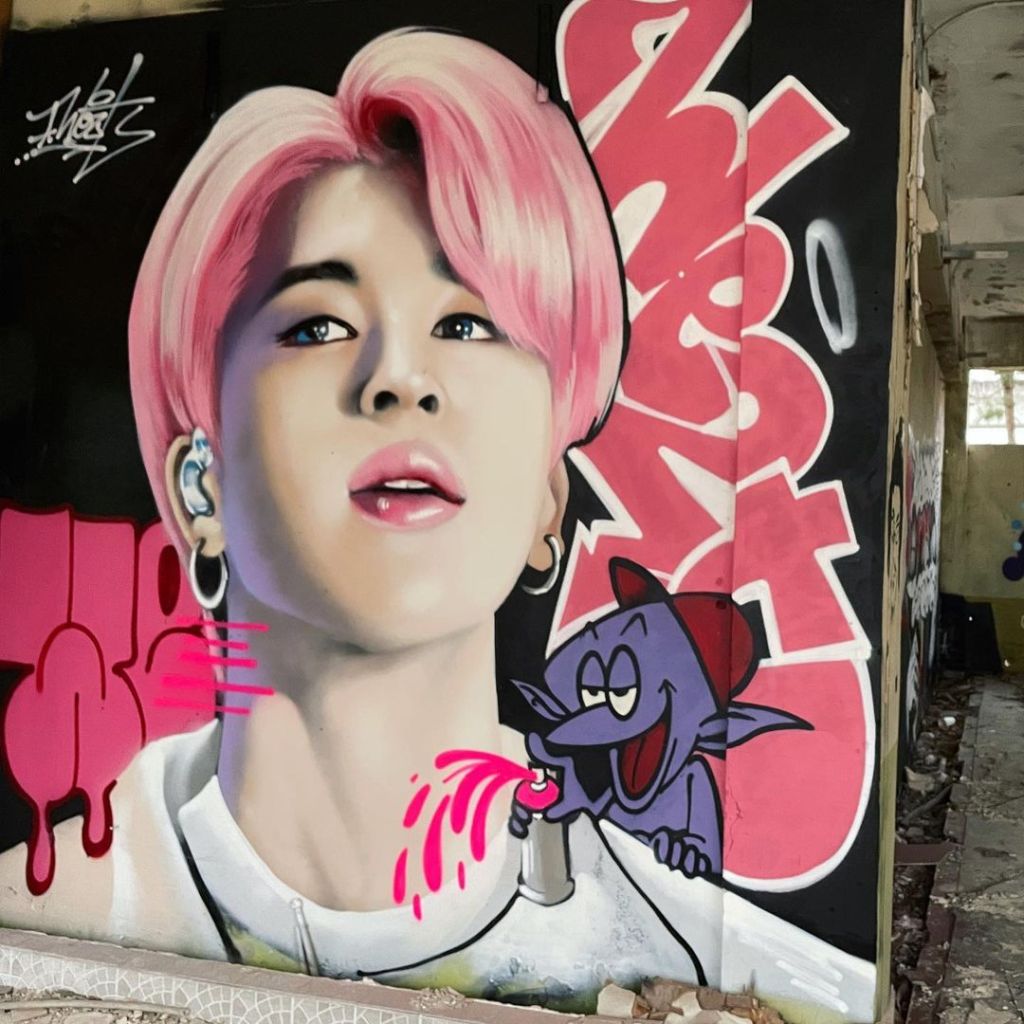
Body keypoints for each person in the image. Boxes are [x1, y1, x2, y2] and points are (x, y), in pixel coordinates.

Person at [0, 28, 875, 1021]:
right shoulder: (48, 910)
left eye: (467, 324)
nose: (399, 378)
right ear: (201, 487)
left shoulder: (758, 979)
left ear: (548, 501)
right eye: (317, 324)